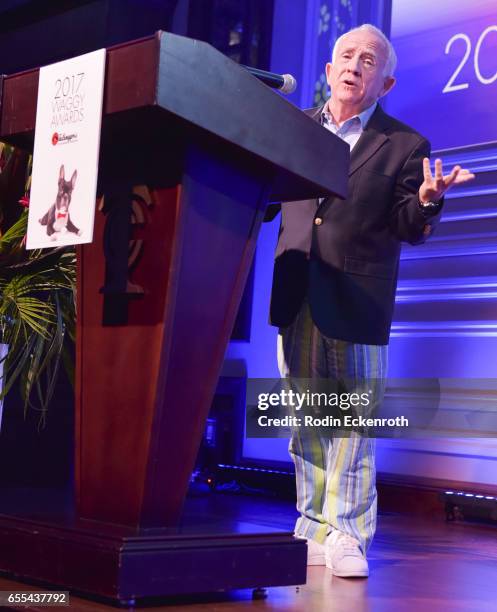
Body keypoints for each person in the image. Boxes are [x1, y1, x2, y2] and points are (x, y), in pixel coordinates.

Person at [266, 24, 474, 578]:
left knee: (353, 424)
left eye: (369, 60)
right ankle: (310, 529)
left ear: (386, 83)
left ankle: (349, 535)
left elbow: (407, 224)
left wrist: (427, 201)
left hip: (357, 296)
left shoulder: (406, 145)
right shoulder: (293, 129)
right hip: (296, 289)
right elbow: (265, 199)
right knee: (307, 421)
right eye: (346, 56)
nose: (356, 65)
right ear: (329, 71)